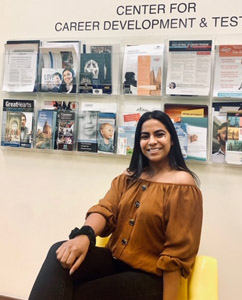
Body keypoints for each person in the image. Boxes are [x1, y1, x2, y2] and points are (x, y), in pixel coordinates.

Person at [28, 110, 203, 300]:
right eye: (145, 136)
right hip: (115, 261)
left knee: (80, 294)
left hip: (151, 277)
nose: (152, 141)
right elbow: (105, 209)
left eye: (159, 134)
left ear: (172, 140)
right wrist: (84, 236)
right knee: (60, 252)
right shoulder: (129, 177)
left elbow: (176, 252)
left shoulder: (183, 184)